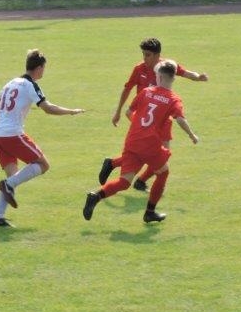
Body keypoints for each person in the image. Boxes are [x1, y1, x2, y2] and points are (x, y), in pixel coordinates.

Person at [83, 59, 199, 224]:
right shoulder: (174, 99)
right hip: (150, 145)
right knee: (163, 172)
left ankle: (96, 196)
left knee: (124, 182)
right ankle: (150, 212)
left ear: (158, 77)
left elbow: (129, 112)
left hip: (132, 141)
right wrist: (192, 135)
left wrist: (141, 126)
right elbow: (180, 119)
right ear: (173, 78)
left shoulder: (145, 92)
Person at [0, 49, 85, 228]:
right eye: (44, 68)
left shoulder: (10, 83)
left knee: (13, 176)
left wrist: (4, 124)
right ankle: (7, 185)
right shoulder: (29, 85)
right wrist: (71, 111)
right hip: (12, 135)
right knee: (43, 165)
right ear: (39, 68)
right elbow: (47, 108)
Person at [99, 37, 208, 191]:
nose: (144, 58)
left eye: (148, 55)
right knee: (153, 154)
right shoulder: (139, 69)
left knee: (158, 155)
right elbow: (127, 89)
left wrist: (199, 77)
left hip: (162, 120)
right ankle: (130, 175)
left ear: (157, 55)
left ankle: (119, 167)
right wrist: (117, 112)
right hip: (143, 118)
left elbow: (186, 73)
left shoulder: (166, 67)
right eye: (143, 54)